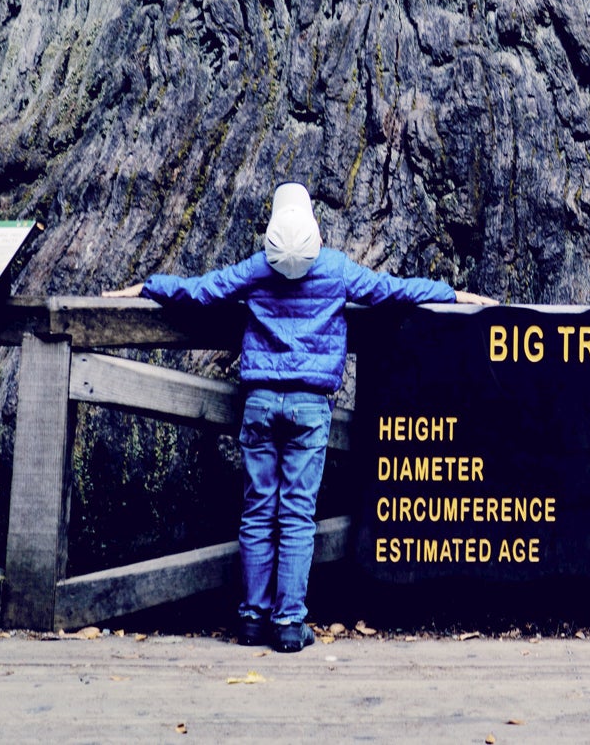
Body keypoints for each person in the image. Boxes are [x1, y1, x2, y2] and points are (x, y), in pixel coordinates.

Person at [102, 182, 494, 652]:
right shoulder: (336, 270)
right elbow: (394, 292)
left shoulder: (256, 269)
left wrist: (147, 286)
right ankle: (289, 624)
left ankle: (250, 618)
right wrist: (455, 294)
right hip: (310, 406)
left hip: (261, 404)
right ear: (313, 227)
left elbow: (201, 291)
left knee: (257, 510)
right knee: (296, 515)